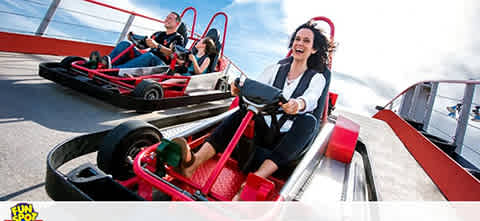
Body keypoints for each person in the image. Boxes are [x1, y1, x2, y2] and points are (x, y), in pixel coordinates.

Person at [172, 21, 335, 200]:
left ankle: (256, 178)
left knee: (308, 121)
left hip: (288, 136)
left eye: (306, 41)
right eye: (297, 39)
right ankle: (193, 163)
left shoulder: (317, 78)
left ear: (313, 49)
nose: (300, 43)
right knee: (240, 113)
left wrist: (298, 104)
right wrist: (239, 88)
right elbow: (255, 86)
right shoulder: (277, 69)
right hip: (263, 129)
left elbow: (311, 98)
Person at [88, 12, 184, 69]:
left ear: (177, 23)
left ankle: (113, 70)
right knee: (125, 44)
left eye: (170, 18)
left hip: (160, 64)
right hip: (147, 58)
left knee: (149, 56)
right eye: (167, 17)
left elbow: (174, 55)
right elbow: (143, 46)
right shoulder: (158, 34)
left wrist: (157, 46)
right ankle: (104, 64)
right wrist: (134, 38)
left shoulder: (178, 38)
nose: (166, 19)